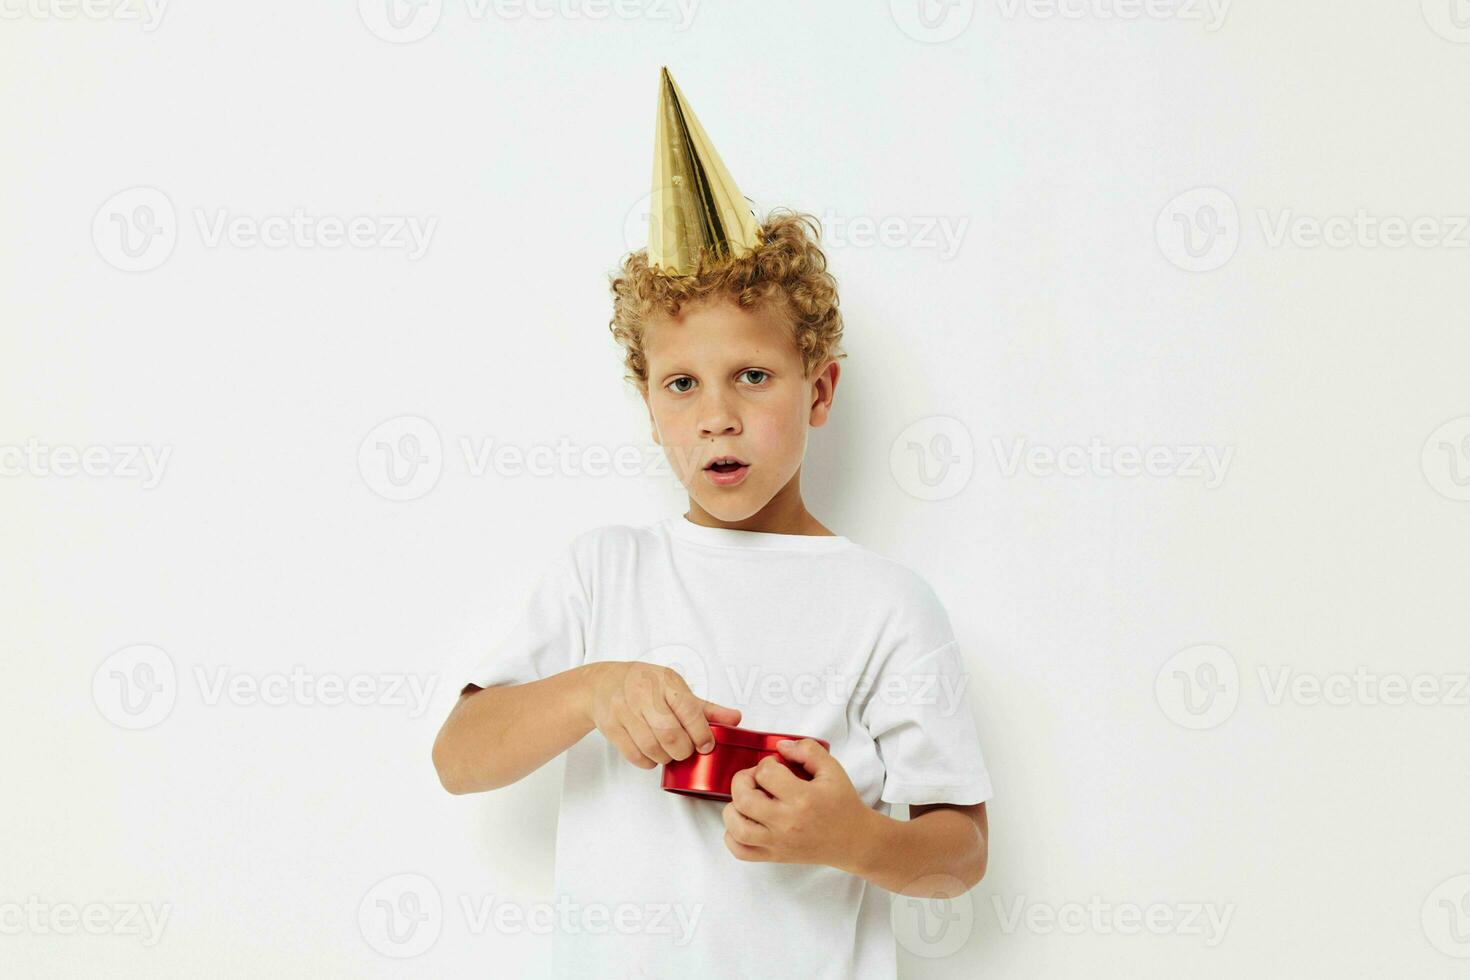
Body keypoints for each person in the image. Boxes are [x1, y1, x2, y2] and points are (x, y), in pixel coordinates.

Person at [432, 67, 993, 979]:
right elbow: (460, 758)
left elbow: (960, 855)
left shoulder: (887, 604)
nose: (715, 416)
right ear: (649, 406)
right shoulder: (602, 574)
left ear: (820, 389)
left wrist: (853, 839)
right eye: (681, 384)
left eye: (754, 377)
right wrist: (592, 690)